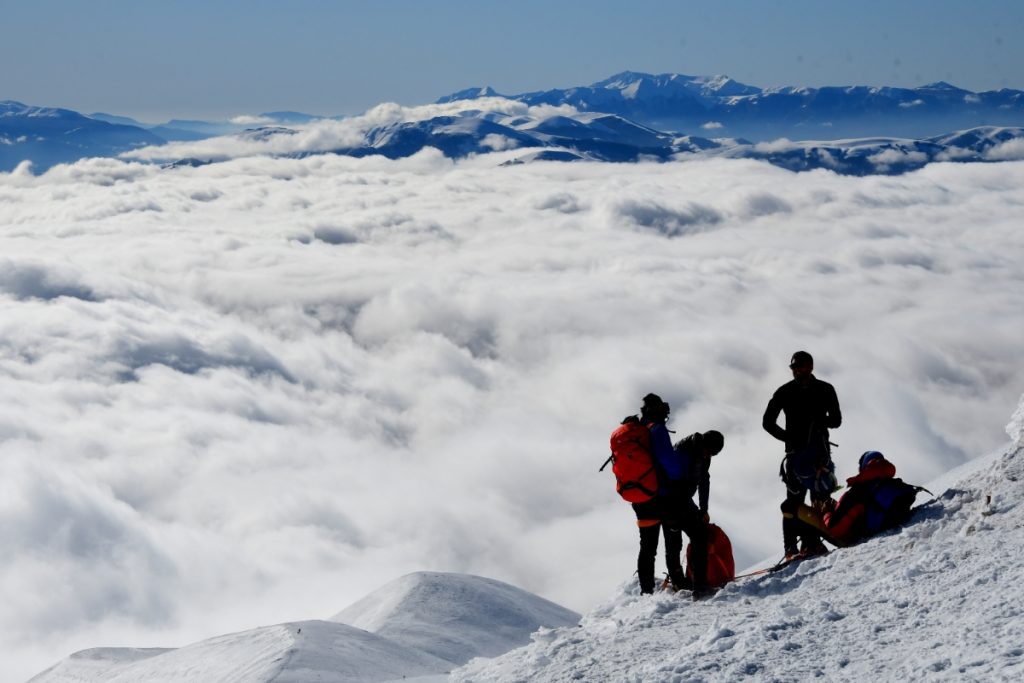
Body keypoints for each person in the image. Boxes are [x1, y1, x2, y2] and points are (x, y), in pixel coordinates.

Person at [762, 351, 842, 560]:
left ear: (810, 367)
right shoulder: (790, 391)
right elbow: (767, 422)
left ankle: (810, 543)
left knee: (816, 500)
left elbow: (836, 420)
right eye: (795, 368)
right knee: (795, 501)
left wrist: (816, 423)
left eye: (801, 367)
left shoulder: (822, 389)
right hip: (802, 454)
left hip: (814, 454)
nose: (798, 371)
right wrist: (789, 438)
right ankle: (792, 549)